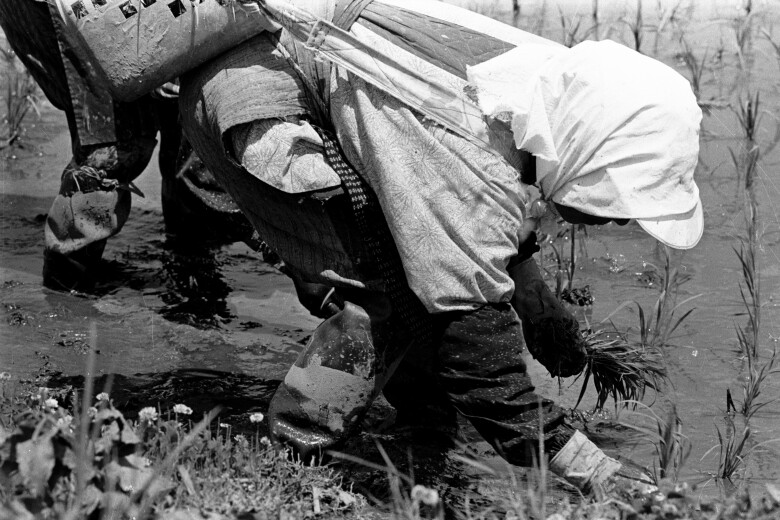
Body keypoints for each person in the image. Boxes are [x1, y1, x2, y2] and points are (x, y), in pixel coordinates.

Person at [174, 0, 702, 494]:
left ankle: (420, 419)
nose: (622, 219)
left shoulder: (546, 96)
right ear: (590, 155)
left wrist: (536, 304)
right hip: (259, 100)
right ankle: (293, 454)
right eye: (622, 198)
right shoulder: (467, 146)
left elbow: (475, 222)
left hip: (313, 83)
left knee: (422, 288)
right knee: (384, 292)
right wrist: (590, 469)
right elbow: (476, 352)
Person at [0, 0, 254, 293]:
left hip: (140, 12)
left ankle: (191, 263)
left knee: (189, 121)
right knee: (116, 148)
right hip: (76, 11)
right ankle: (67, 287)